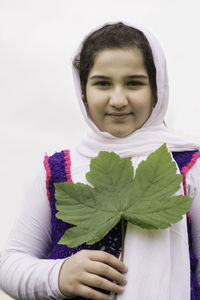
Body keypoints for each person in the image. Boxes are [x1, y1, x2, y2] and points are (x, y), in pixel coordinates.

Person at [0, 21, 200, 300]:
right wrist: (58, 275)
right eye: (103, 83)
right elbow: (9, 264)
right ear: (83, 91)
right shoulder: (58, 172)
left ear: (157, 89)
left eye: (134, 83)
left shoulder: (188, 168)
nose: (118, 99)